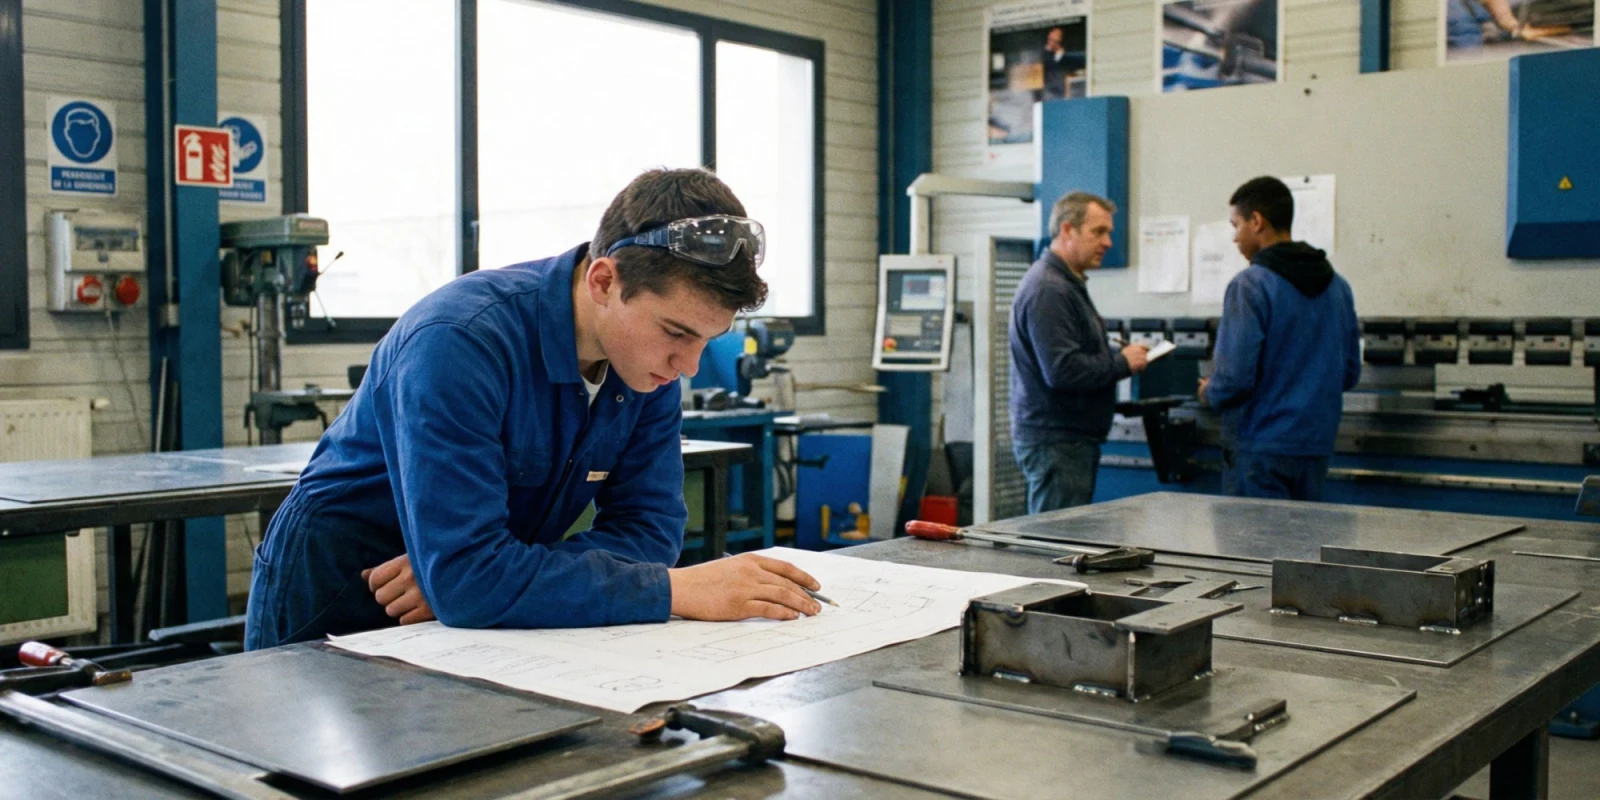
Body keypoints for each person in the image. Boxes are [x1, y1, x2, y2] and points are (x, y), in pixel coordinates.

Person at [245, 168, 822, 650]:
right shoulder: (459, 342)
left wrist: (487, 574)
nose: (689, 366)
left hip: (472, 617)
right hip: (337, 601)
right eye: (676, 332)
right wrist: (676, 591)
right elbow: (474, 582)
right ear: (603, 281)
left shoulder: (645, 365)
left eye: (706, 339)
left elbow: (650, 531)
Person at [1199, 176, 1360, 501]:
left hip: (1259, 448)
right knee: (1299, 548)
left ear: (1257, 221)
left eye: (1236, 225)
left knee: (1250, 548)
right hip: (1315, 446)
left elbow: (1235, 379)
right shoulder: (1337, 286)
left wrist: (1208, 392)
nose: (1234, 238)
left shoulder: (1250, 286)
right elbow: (1349, 372)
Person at [1009, 192, 1149, 513]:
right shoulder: (1049, 289)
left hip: (1068, 442)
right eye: (1098, 232)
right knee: (1053, 548)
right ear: (1067, 230)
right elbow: (1063, 370)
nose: (1108, 242)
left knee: (1061, 542)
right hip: (1057, 443)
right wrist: (1121, 364)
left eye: (1109, 233)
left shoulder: (1066, 285)